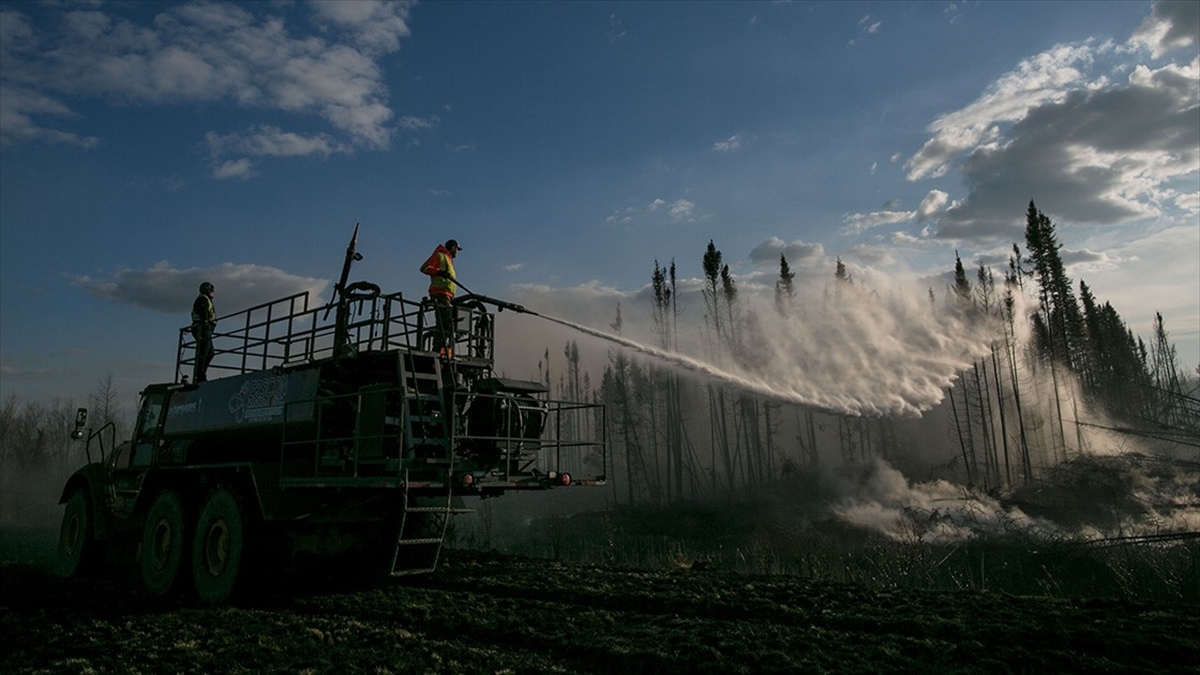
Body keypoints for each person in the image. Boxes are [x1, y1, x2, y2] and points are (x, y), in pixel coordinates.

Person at [419, 239, 461, 355]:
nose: (457, 252)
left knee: (447, 322)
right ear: (453, 247)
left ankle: (442, 347)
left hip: (447, 295)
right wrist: (439, 272)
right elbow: (424, 268)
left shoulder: (448, 259)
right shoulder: (440, 255)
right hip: (440, 293)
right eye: (457, 249)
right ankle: (438, 348)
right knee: (445, 322)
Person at [191, 281, 217, 382]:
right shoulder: (202, 299)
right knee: (204, 352)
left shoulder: (206, 299)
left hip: (205, 329)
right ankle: (199, 376)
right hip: (202, 329)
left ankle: (201, 374)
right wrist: (206, 324)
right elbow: (203, 311)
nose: (213, 292)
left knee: (209, 353)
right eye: (211, 290)